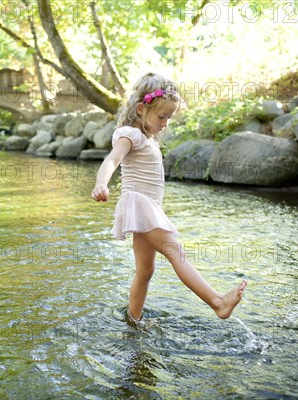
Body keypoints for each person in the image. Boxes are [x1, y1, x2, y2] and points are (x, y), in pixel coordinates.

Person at [91, 73, 247, 324]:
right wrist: (101, 183)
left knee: (145, 271)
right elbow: (112, 160)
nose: (164, 123)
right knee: (176, 253)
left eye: (169, 118)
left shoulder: (148, 138)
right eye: (161, 116)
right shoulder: (130, 134)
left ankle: (133, 319)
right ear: (141, 109)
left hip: (145, 208)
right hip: (140, 205)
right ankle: (218, 302)